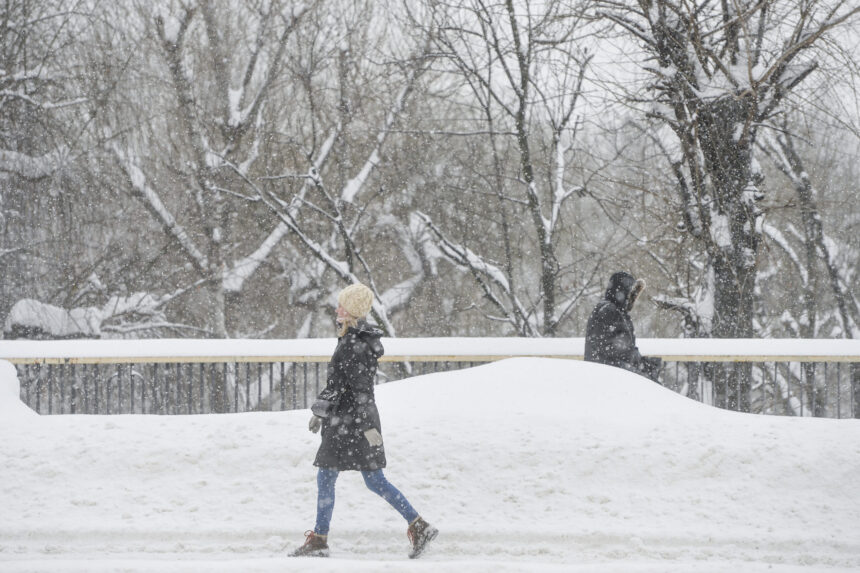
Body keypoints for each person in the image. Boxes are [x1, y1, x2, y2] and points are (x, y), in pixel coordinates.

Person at [289, 282, 438, 559]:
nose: (337, 308)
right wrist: (321, 412)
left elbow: (355, 390)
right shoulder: (353, 340)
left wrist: (361, 425)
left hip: (351, 423)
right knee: (357, 479)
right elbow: (341, 385)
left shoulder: (353, 345)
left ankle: (321, 541)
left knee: (343, 478)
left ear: (354, 311)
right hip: (348, 421)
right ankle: (418, 526)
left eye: (342, 305)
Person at [584, 271, 662, 383]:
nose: (632, 298)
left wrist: (643, 363)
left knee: (652, 382)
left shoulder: (615, 311)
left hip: (610, 371)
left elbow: (623, 348)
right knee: (652, 385)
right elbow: (616, 349)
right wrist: (641, 364)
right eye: (631, 294)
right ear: (622, 291)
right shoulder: (608, 310)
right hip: (607, 375)